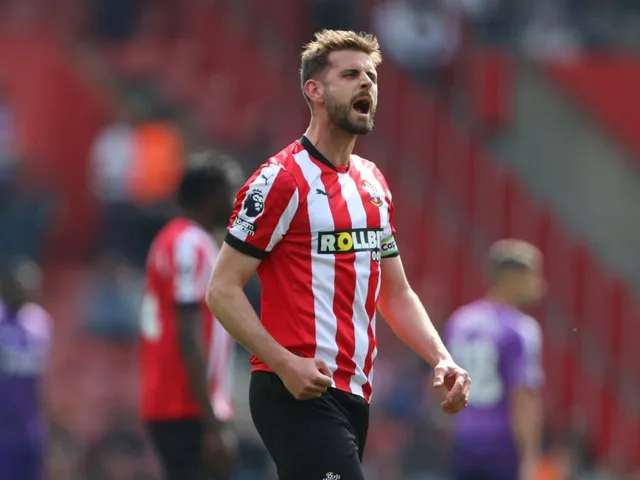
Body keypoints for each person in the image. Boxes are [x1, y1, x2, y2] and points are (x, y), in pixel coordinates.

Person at [206, 29, 471, 480]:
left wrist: (441, 357)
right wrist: (285, 363)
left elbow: (395, 292)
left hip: (354, 393)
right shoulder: (280, 179)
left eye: (371, 76)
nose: (366, 82)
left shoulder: (372, 182)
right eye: (350, 75)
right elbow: (222, 289)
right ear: (315, 90)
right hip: (295, 388)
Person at [140, 153, 238, 480]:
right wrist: (211, 421)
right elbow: (187, 333)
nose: (236, 201)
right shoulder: (188, 243)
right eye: (231, 191)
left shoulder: (177, 239)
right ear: (211, 195)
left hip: (180, 405)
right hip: (186, 407)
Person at [445, 239, 546, 480]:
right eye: (533, 275)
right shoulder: (520, 328)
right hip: (502, 447)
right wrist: (530, 456)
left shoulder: (461, 321)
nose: (540, 284)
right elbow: (523, 396)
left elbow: (440, 386)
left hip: (464, 442)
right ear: (512, 277)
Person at [0, 257, 51, 480]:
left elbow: (42, 379)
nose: (26, 288)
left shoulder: (40, 322)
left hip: (29, 426)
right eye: (21, 283)